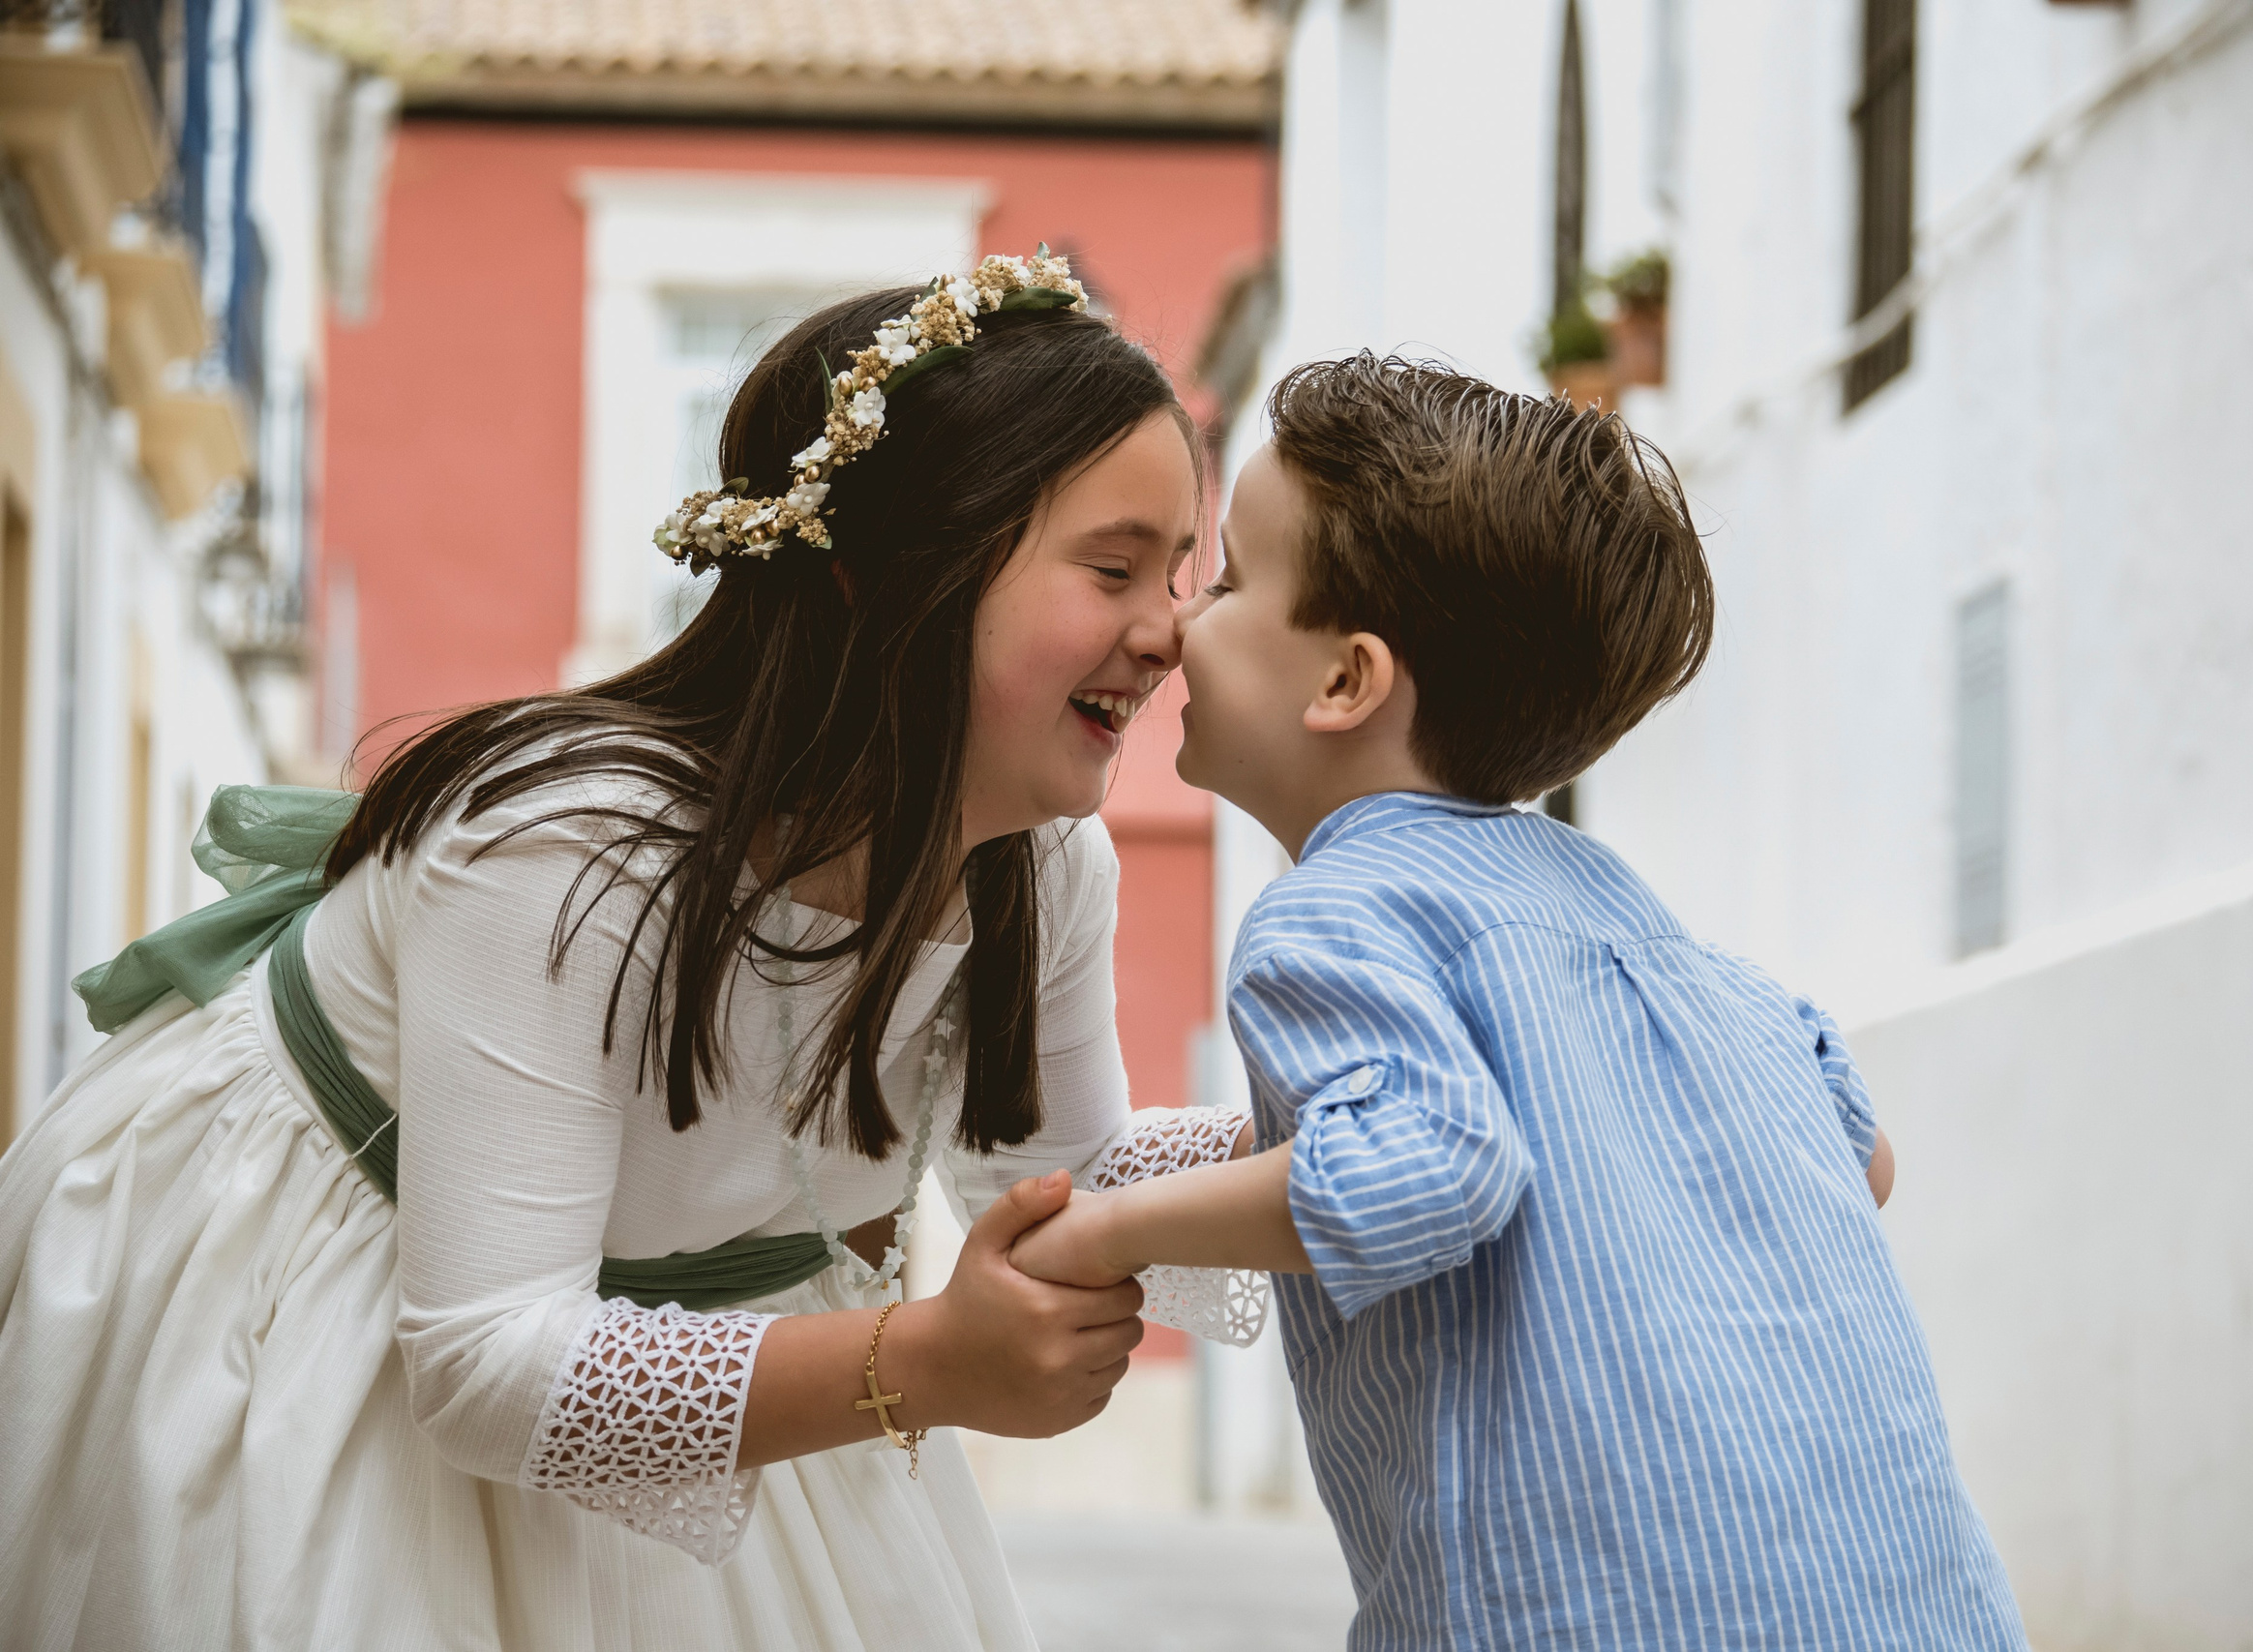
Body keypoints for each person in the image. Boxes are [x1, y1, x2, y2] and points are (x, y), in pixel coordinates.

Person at [0, 252, 1261, 1650]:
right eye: (1114, 568)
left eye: (1183, 574)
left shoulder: (1040, 862)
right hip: (326, 1322)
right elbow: (486, 1359)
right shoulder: (567, 856)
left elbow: (1059, 1179)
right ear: (882, 578)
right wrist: (920, 1362)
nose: (1172, 632)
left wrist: (1328, 1149)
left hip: (679, 1342)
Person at [1011, 354, 2031, 1649]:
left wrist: (1108, 1230)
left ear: (1346, 682)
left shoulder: (1332, 913)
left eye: (1224, 581)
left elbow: (1430, 1164)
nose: (1177, 625)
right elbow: (1863, 1159)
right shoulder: (1646, 925)